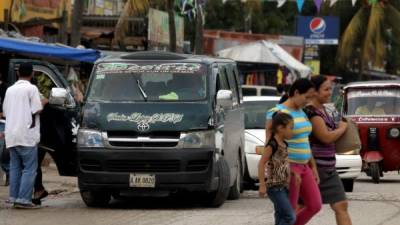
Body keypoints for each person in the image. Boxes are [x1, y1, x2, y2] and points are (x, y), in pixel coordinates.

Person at [266, 78, 322, 225]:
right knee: (288, 211)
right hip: (289, 167)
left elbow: (305, 141)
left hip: (305, 166)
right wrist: (285, 170)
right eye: (307, 97)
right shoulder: (277, 113)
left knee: (315, 205)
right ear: (296, 92)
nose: (309, 101)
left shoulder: (302, 112)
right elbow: (270, 144)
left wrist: (313, 166)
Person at [305, 75, 352, 225]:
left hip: (328, 167)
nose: (330, 92)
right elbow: (325, 137)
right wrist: (343, 129)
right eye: (326, 89)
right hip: (317, 168)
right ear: (314, 92)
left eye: (330, 88)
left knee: (340, 205)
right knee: (304, 206)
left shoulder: (324, 109)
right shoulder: (312, 112)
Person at [3, 62, 44, 209]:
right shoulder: (32, 88)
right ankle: (24, 200)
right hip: (26, 135)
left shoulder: (10, 90)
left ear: (18, 73)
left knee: (14, 167)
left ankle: (13, 197)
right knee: (29, 169)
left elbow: (6, 112)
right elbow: (37, 109)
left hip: (11, 135)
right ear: (32, 74)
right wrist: (44, 102)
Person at [259, 112, 295, 225]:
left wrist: (291, 176)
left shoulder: (284, 144)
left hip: (283, 186)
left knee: (280, 215)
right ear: (280, 128)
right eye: (291, 128)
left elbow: (285, 163)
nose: (292, 131)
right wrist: (262, 185)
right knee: (290, 217)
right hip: (274, 188)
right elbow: (261, 164)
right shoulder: (272, 145)